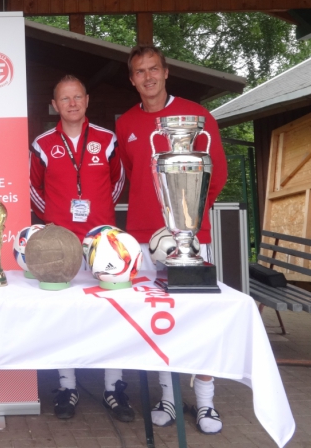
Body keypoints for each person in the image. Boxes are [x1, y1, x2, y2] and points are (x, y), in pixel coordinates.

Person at [115, 45, 228, 435]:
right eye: (139, 71)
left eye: (153, 69)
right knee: (158, 321)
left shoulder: (197, 116)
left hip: (190, 240)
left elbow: (217, 174)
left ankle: (206, 402)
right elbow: (132, 174)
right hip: (144, 239)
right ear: (132, 79)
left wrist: (188, 223)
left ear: (166, 72)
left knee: (199, 321)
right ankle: (168, 396)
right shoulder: (127, 123)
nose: (147, 77)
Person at [29, 75, 129, 421]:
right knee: (63, 316)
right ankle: (67, 386)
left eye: (77, 97)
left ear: (86, 100)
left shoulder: (107, 139)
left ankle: (113, 386)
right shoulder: (42, 143)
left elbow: (117, 181)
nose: (71, 104)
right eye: (64, 98)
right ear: (54, 105)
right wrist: (53, 221)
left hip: (103, 240)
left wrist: (100, 215)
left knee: (111, 313)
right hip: (61, 244)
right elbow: (32, 186)